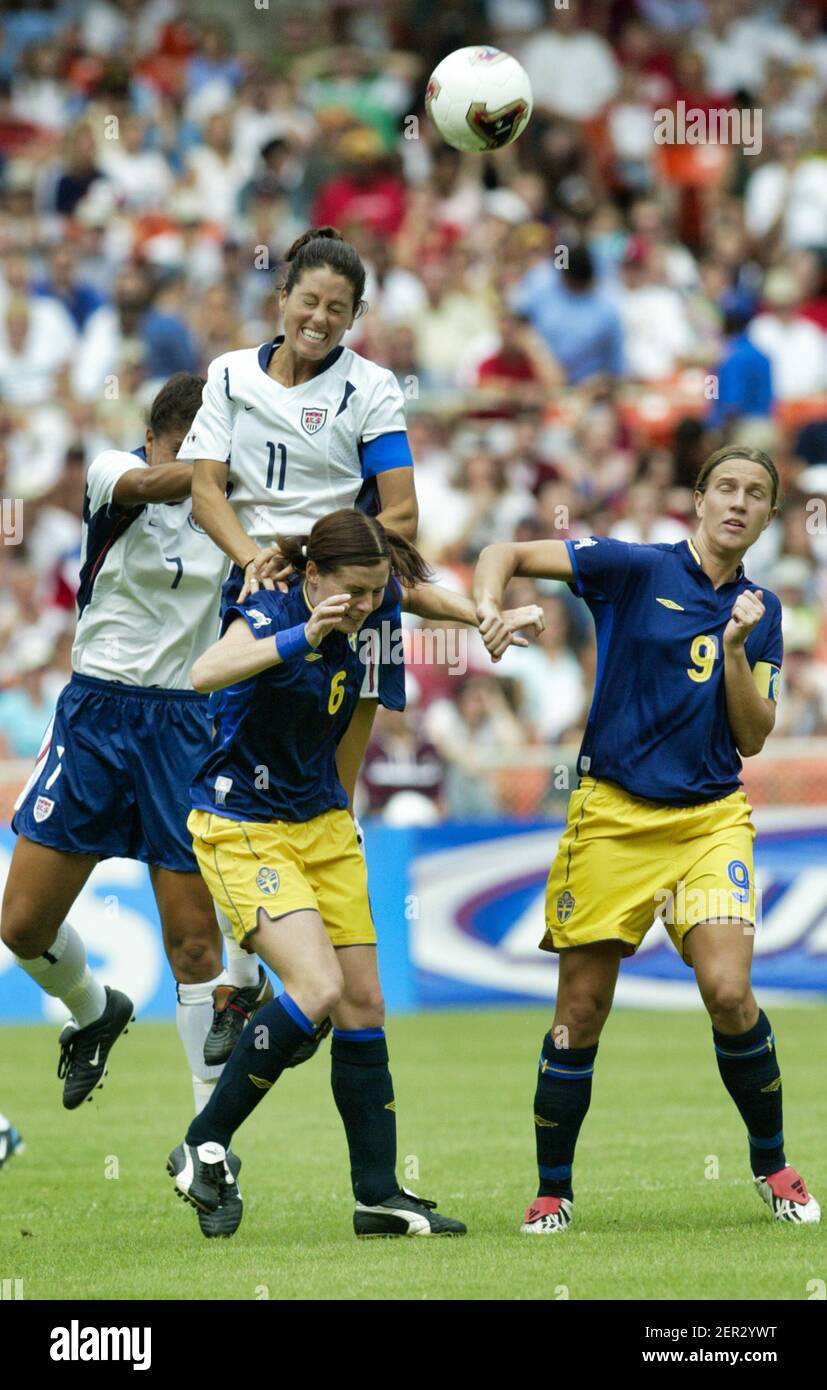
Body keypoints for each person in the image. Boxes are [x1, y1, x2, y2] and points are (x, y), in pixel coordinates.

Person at [473, 445, 820, 1232]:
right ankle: (552, 1190)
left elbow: (754, 735)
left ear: (768, 516)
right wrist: (489, 604)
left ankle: (772, 1165)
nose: (738, 502)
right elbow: (505, 550)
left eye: (755, 494)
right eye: (724, 488)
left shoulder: (760, 615)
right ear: (697, 501)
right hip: (611, 816)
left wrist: (735, 649)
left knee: (728, 992)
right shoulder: (633, 567)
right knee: (581, 1010)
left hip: (708, 820)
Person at [168, 507, 542, 1237]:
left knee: (362, 1006)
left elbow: (419, 593)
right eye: (356, 592)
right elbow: (204, 671)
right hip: (244, 823)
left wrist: (485, 615)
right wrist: (300, 635)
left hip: (325, 824)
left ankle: (377, 1195)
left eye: (377, 593)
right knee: (316, 989)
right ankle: (201, 1146)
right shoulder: (273, 600)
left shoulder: (372, 596)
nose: (370, 606)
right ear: (312, 575)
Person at [0, 374, 264, 1236]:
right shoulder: (116, 474)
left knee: (195, 944)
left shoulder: (230, 515)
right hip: (97, 712)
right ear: (159, 438)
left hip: (183, 727)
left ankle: (208, 1153)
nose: (205, 466)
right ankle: (94, 1010)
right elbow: (168, 483)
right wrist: (222, 469)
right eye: (196, 446)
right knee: (21, 926)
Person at [177, 225, 419, 1003]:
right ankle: (251, 960)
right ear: (281, 298)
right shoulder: (226, 376)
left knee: (331, 797)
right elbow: (206, 487)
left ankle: (304, 954)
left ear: (353, 319)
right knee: (241, 775)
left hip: (358, 598)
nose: (319, 319)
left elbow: (403, 514)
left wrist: (317, 550)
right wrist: (256, 558)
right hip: (264, 594)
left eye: (337, 310)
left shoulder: (371, 387)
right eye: (308, 302)